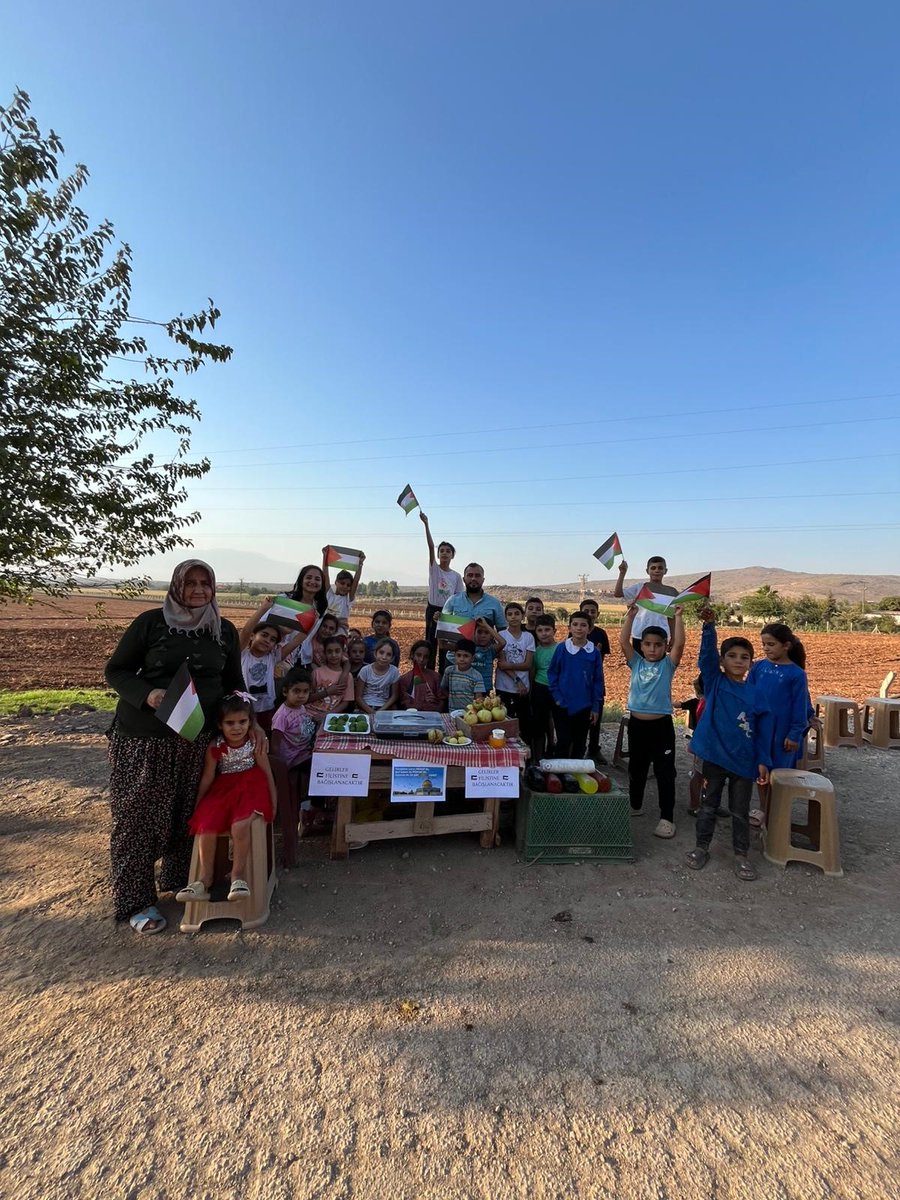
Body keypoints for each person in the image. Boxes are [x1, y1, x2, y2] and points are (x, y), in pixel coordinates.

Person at [104, 559, 249, 933]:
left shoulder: (224, 630)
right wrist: (148, 694)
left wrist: (249, 721)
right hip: (146, 738)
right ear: (176, 586)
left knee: (189, 811)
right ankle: (136, 901)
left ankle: (180, 880)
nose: (198, 590)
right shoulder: (151, 623)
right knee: (138, 817)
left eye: (205, 583)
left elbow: (234, 684)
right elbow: (116, 670)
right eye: (190, 583)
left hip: (197, 738)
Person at [686, 609, 773, 881]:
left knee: (740, 811)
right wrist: (709, 626)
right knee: (708, 806)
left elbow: (763, 733)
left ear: (751, 663)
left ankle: (741, 855)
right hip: (714, 757)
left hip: (744, 762)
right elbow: (706, 657)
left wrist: (763, 760)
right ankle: (701, 848)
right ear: (722, 661)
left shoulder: (756, 694)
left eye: (744, 657)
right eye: (732, 656)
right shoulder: (715, 682)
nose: (738, 660)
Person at [175, 693, 277, 903]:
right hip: (224, 788)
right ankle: (204, 880)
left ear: (250, 722)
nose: (237, 727)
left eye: (242, 721)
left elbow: (267, 772)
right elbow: (207, 778)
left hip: (252, 787)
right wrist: (199, 804)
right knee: (206, 824)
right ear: (220, 725)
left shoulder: (254, 742)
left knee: (240, 825)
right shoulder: (215, 746)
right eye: (230, 723)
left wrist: (274, 802)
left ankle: (237, 876)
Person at [619, 603, 685, 838]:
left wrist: (678, 618)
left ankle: (667, 818)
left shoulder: (668, 665)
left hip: (661, 727)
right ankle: (634, 805)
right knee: (637, 768)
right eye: (647, 644)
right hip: (637, 726)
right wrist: (631, 616)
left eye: (658, 645)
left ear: (665, 646)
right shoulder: (636, 662)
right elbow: (623, 641)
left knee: (665, 772)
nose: (652, 649)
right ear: (642, 646)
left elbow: (680, 644)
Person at [746, 622, 815, 826]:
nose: (766, 648)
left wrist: (794, 734)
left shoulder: (796, 674)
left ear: (786, 646)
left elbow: (800, 706)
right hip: (760, 730)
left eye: (771, 644)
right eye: (763, 644)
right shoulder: (758, 667)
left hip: (782, 734)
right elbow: (748, 695)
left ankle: (775, 814)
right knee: (760, 771)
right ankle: (764, 808)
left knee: (778, 775)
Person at [238, 597, 305, 730]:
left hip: (267, 709)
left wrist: (312, 622)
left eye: (272, 639)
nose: (267, 640)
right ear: (252, 636)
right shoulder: (243, 653)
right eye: (264, 635)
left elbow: (297, 640)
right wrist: (264, 608)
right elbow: (246, 631)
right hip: (244, 709)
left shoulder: (273, 657)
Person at [547, 612, 605, 758]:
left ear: (589, 629)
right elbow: (552, 673)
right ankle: (560, 770)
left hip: (584, 705)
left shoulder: (594, 652)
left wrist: (595, 706)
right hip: (562, 704)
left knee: (580, 742)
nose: (579, 628)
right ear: (569, 628)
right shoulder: (562, 648)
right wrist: (557, 697)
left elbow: (598, 680)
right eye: (575, 624)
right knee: (563, 740)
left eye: (583, 625)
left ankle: (577, 770)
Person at [270, 669, 319, 835]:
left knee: (326, 762)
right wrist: (280, 770)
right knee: (320, 771)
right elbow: (275, 745)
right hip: (293, 759)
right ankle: (308, 811)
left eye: (305, 691)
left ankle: (318, 808)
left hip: (305, 751)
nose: (301, 695)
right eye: (296, 691)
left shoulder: (301, 708)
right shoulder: (281, 716)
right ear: (286, 692)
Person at [437, 563, 507, 664]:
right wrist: (439, 620)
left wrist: (494, 654)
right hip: (454, 661)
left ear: (483, 579)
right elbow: (444, 630)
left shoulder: (495, 603)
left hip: (482, 662)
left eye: (477, 575)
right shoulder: (452, 601)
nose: (473, 578)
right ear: (464, 579)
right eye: (470, 575)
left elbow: (503, 633)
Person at [420, 512, 463, 668]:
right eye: (442, 551)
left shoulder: (456, 576)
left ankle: (444, 674)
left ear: (452, 556)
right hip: (432, 610)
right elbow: (430, 547)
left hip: (448, 614)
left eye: (448, 551)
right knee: (430, 643)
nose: (444, 553)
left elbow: (458, 598)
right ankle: (429, 673)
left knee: (446, 646)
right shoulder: (434, 570)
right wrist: (426, 524)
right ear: (438, 555)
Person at [614, 556, 678, 655]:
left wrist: (674, 637)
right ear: (647, 571)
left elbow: (672, 617)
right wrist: (622, 573)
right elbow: (618, 593)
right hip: (639, 635)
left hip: (661, 636)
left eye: (660, 568)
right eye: (653, 568)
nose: (656, 570)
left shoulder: (671, 592)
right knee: (638, 663)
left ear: (665, 571)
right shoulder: (640, 587)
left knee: (658, 664)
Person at [495, 602, 534, 741]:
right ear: (506, 617)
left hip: (522, 689)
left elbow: (528, 664)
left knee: (524, 724)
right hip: (504, 687)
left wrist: (509, 665)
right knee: (504, 724)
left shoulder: (528, 637)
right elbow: (502, 665)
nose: (513, 617)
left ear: (523, 616)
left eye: (517, 614)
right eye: (510, 614)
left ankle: (526, 752)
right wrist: (517, 680)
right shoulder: (501, 635)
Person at [579, 598, 611, 763]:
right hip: (579, 682)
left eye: (593, 611)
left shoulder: (601, 634)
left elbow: (601, 659)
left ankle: (593, 750)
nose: (590, 614)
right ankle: (579, 749)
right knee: (580, 717)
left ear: (598, 614)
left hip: (596, 681)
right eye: (586, 611)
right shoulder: (576, 632)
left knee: (595, 718)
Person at [530, 614, 558, 760]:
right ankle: (538, 758)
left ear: (554, 631)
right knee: (539, 724)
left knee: (557, 721)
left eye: (547, 630)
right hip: (540, 688)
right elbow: (533, 670)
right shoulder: (535, 651)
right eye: (540, 630)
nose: (544, 633)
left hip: (557, 690)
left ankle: (554, 750)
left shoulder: (561, 649)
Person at [308, 637, 355, 723]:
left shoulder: (348, 677)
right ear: (324, 653)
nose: (333, 655)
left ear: (343, 652)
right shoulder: (317, 672)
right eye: (329, 652)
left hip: (331, 716)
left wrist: (327, 715)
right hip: (309, 713)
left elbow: (345, 702)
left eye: (337, 651)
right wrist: (327, 692)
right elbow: (308, 697)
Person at [679, 674, 706, 813]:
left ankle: (704, 804)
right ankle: (694, 805)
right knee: (700, 775)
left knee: (704, 775)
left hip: (703, 743)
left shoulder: (700, 701)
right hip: (705, 744)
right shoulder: (705, 703)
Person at [321, 545, 365, 632]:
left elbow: (356, 580)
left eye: (348, 585)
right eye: (342, 583)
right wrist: (325, 556)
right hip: (326, 632)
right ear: (336, 582)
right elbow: (325, 575)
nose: (345, 586)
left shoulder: (347, 600)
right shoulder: (329, 595)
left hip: (340, 633)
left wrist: (360, 564)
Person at [355, 639, 401, 714]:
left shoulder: (394, 671)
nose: (384, 657)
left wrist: (381, 711)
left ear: (392, 658)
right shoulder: (365, 670)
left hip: (384, 707)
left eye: (388, 654)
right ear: (375, 653)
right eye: (381, 652)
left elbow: (395, 695)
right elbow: (358, 697)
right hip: (365, 706)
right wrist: (371, 712)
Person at [440, 638, 486, 712]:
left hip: (470, 713)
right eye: (459, 655)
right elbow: (443, 688)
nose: (462, 659)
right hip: (452, 712)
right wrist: (450, 697)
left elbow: (478, 698)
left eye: (466, 656)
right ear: (455, 656)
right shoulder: (449, 671)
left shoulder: (477, 676)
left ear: (473, 658)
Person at [399, 640, 443, 711]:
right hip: (412, 714)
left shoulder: (436, 677)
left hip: (431, 714)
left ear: (429, 658)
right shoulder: (404, 679)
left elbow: (442, 700)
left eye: (426, 657)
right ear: (412, 655)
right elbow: (404, 703)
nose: (421, 659)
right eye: (418, 655)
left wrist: (434, 701)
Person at [471, 617, 506, 692]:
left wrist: (486, 625)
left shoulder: (491, 650)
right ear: (474, 632)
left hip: (485, 688)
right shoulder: (469, 648)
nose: (483, 636)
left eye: (487, 632)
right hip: (470, 687)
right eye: (479, 632)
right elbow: (445, 645)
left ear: (491, 636)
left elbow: (503, 643)